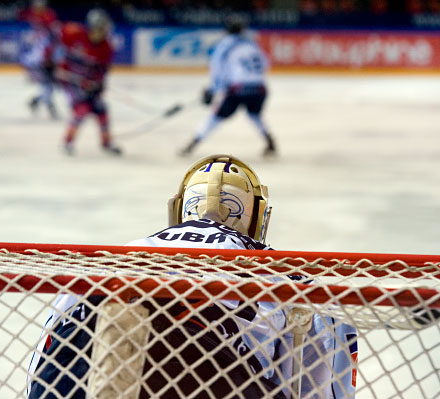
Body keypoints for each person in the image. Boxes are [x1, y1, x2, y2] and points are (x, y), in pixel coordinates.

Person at [26, 154, 357, 399]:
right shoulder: (289, 274)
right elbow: (324, 375)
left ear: (178, 208)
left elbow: (52, 347)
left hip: (101, 378)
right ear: (259, 218)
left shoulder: (117, 257)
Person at [180, 16, 277, 157]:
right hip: (259, 88)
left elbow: (218, 69)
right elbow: (265, 64)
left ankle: (192, 144)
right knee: (254, 114)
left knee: (215, 117)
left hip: (238, 89)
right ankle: (270, 142)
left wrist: (212, 90)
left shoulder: (224, 45)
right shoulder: (251, 44)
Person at [55, 9, 121, 156]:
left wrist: (98, 84)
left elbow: (102, 70)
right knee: (82, 109)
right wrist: (50, 62)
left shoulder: (106, 47)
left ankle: (106, 142)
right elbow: (53, 40)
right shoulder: (73, 34)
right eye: (102, 28)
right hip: (68, 80)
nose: (104, 32)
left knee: (101, 109)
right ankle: (67, 142)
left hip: (87, 83)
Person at [18, 0, 59, 119]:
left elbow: (52, 39)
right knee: (47, 83)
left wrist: (49, 57)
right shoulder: (37, 18)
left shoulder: (48, 19)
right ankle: (45, 104)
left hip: (47, 57)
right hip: (41, 58)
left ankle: (37, 102)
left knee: (49, 83)